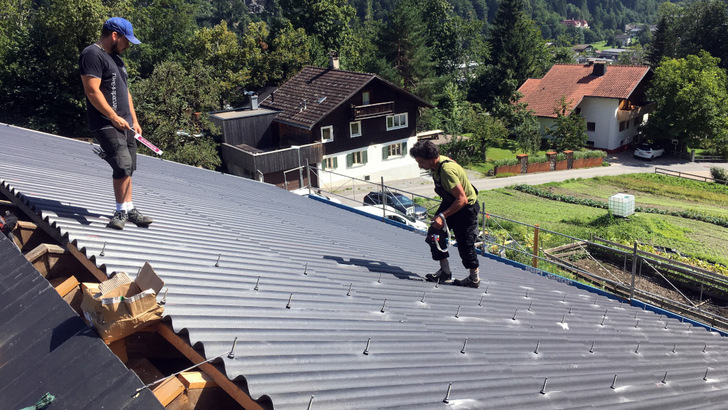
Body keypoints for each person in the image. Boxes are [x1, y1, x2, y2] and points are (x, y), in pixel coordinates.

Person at [79, 17, 153, 230]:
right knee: (121, 163)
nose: (128, 45)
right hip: (106, 122)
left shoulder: (117, 59)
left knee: (130, 166)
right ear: (114, 35)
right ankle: (120, 210)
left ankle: (129, 209)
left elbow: (125, 91)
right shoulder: (92, 54)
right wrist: (112, 116)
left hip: (126, 123)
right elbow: (92, 90)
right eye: (126, 40)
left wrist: (135, 120)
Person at [410, 140, 481, 288]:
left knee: (465, 243)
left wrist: (442, 216)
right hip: (451, 202)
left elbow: (462, 199)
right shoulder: (436, 165)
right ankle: (445, 272)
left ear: (431, 159)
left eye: (421, 162)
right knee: (434, 233)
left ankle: (474, 279)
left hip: (466, 208)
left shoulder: (447, 170)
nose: (419, 166)